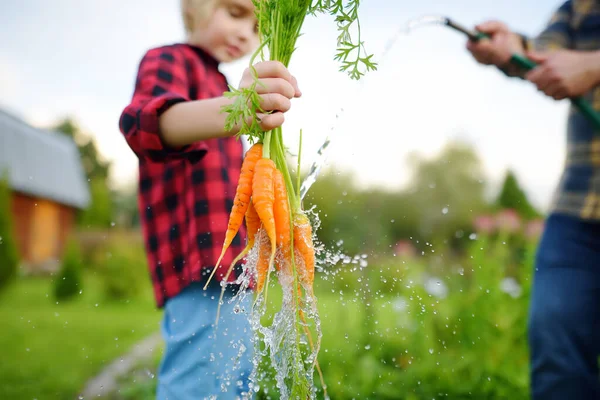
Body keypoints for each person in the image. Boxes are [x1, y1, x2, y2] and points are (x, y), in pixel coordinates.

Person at [118, 0, 302, 398]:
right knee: (200, 386)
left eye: (256, 28)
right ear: (196, 7)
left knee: (234, 384)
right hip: (200, 263)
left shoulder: (221, 86)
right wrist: (239, 107)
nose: (244, 34)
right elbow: (144, 124)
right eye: (235, 13)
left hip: (235, 268)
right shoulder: (169, 58)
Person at [466, 2, 600, 399]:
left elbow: (580, 65)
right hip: (578, 208)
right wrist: (511, 47)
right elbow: (544, 54)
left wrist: (594, 65)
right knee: (557, 356)